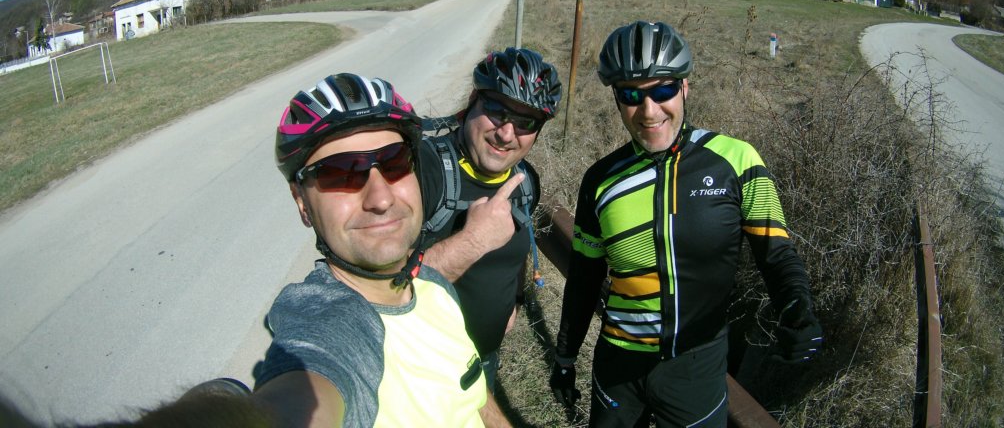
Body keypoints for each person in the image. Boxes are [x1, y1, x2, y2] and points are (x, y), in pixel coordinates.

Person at [549, 21, 823, 427]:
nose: (649, 111)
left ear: (685, 88)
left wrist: (797, 308)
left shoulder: (737, 161)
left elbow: (777, 254)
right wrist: (565, 357)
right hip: (618, 365)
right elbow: (584, 279)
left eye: (663, 91)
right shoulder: (600, 180)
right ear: (616, 99)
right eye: (630, 95)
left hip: (697, 367)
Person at [254, 72, 511, 427]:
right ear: (301, 201)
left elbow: (471, 392)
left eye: (394, 162)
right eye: (340, 173)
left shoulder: (434, 287)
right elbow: (303, 391)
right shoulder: (330, 323)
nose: (381, 198)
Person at [419, 47, 562, 389]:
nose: (506, 134)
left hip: (484, 362)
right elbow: (379, 289)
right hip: (420, 370)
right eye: (497, 110)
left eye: (526, 122)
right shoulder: (423, 170)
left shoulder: (525, 182)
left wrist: (514, 301)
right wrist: (473, 240)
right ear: (473, 101)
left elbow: (516, 249)